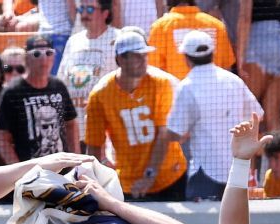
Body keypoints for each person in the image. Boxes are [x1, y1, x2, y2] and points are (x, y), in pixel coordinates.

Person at [153, 30, 261, 200]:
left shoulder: (187, 86)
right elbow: (257, 115)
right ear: (212, 53)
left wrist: (162, 131)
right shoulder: (233, 80)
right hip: (238, 169)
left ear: (186, 58)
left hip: (205, 175)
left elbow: (176, 133)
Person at [84, 29, 187, 200]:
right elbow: (94, 145)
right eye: (137, 56)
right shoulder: (100, 95)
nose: (143, 60)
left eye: (144, 55)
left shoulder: (161, 83)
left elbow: (164, 134)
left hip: (169, 176)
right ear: (120, 59)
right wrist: (98, 181)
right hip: (128, 182)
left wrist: (149, 175)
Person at [0, 34, 80, 161]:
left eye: (48, 53)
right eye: (37, 54)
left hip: (64, 170)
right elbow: (2, 137)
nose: (43, 59)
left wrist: (76, 161)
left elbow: (71, 124)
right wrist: (18, 170)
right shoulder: (13, 92)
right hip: (31, 173)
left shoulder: (58, 86)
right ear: (26, 58)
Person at [56, 0, 119, 141]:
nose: (84, 14)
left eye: (90, 9)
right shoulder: (74, 41)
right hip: (76, 126)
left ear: (105, 13)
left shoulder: (117, 39)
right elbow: (61, 80)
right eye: (81, 9)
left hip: (106, 126)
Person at [241, 0, 280, 133]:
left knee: (246, 109)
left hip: (260, 39)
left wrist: (240, 56)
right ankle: (275, 151)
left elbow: (245, 17)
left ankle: (241, 152)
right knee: (274, 119)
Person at [148, 0, 235, 79]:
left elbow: (154, 69)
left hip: (175, 93)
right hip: (214, 92)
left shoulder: (160, 27)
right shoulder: (217, 25)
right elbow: (226, 66)